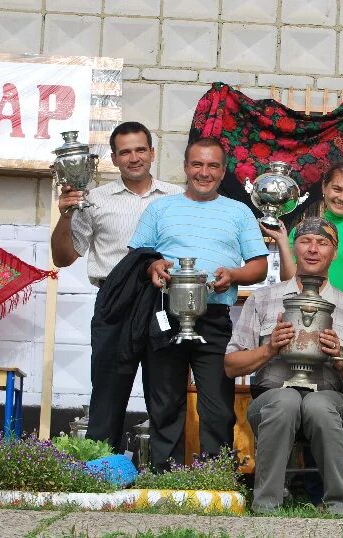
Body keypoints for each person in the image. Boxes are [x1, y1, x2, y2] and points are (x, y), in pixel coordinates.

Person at [128, 137, 269, 470]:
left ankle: (215, 477)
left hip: (214, 316)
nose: (204, 172)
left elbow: (259, 266)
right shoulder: (160, 208)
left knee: (218, 406)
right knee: (164, 402)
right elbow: (137, 258)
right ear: (185, 167)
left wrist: (233, 275)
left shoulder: (239, 212)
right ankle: (164, 477)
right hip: (164, 314)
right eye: (197, 164)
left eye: (212, 166)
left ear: (223, 171)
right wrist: (153, 266)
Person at [224, 217, 343, 515]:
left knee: (318, 405)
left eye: (323, 243)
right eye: (306, 241)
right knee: (286, 401)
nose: (313, 249)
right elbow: (231, 366)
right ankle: (266, 505)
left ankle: (341, 505)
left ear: (334, 252)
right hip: (271, 398)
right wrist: (269, 349)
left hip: (329, 397)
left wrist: (341, 361)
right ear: (294, 247)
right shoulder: (263, 298)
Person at [50, 121, 182, 453]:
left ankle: (165, 473)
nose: (134, 158)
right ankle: (99, 470)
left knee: (166, 394)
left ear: (152, 152)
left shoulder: (178, 197)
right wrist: (65, 215)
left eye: (140, 150)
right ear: (113, 158)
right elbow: (63, 257)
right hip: (114, 299)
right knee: (107, 394)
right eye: (125, 152)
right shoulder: (93, 200)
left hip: (164, 300)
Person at [261, 160, 343, 504]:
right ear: (325, 188)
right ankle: (315, 493)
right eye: (337, 189)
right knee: (310, 407)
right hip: (305, 327)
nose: (342, 196)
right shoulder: (305, 226)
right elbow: (292, 278)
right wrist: (283, 241)